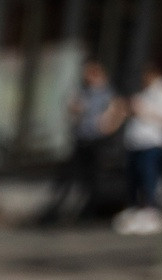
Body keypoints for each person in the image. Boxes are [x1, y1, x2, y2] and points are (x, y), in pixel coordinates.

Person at [38, 60, 124, 224]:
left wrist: (108, 127)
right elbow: (73, 108)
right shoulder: (84, 91)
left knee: (92, 178)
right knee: (68, 176)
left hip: (97, 141)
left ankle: (88, 212)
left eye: (89, 74)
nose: (86, 77)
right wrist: (74, 109)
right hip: (82, 139)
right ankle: (55, 211)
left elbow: (119, 111)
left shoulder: (107, 93)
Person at [116, 63, 162, 235]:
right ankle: (135, 210)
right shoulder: (145, 92)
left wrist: (143, 110)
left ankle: (152, 212)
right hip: (136, 142)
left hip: (153, 142)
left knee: (149, 177)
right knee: (134, 178)